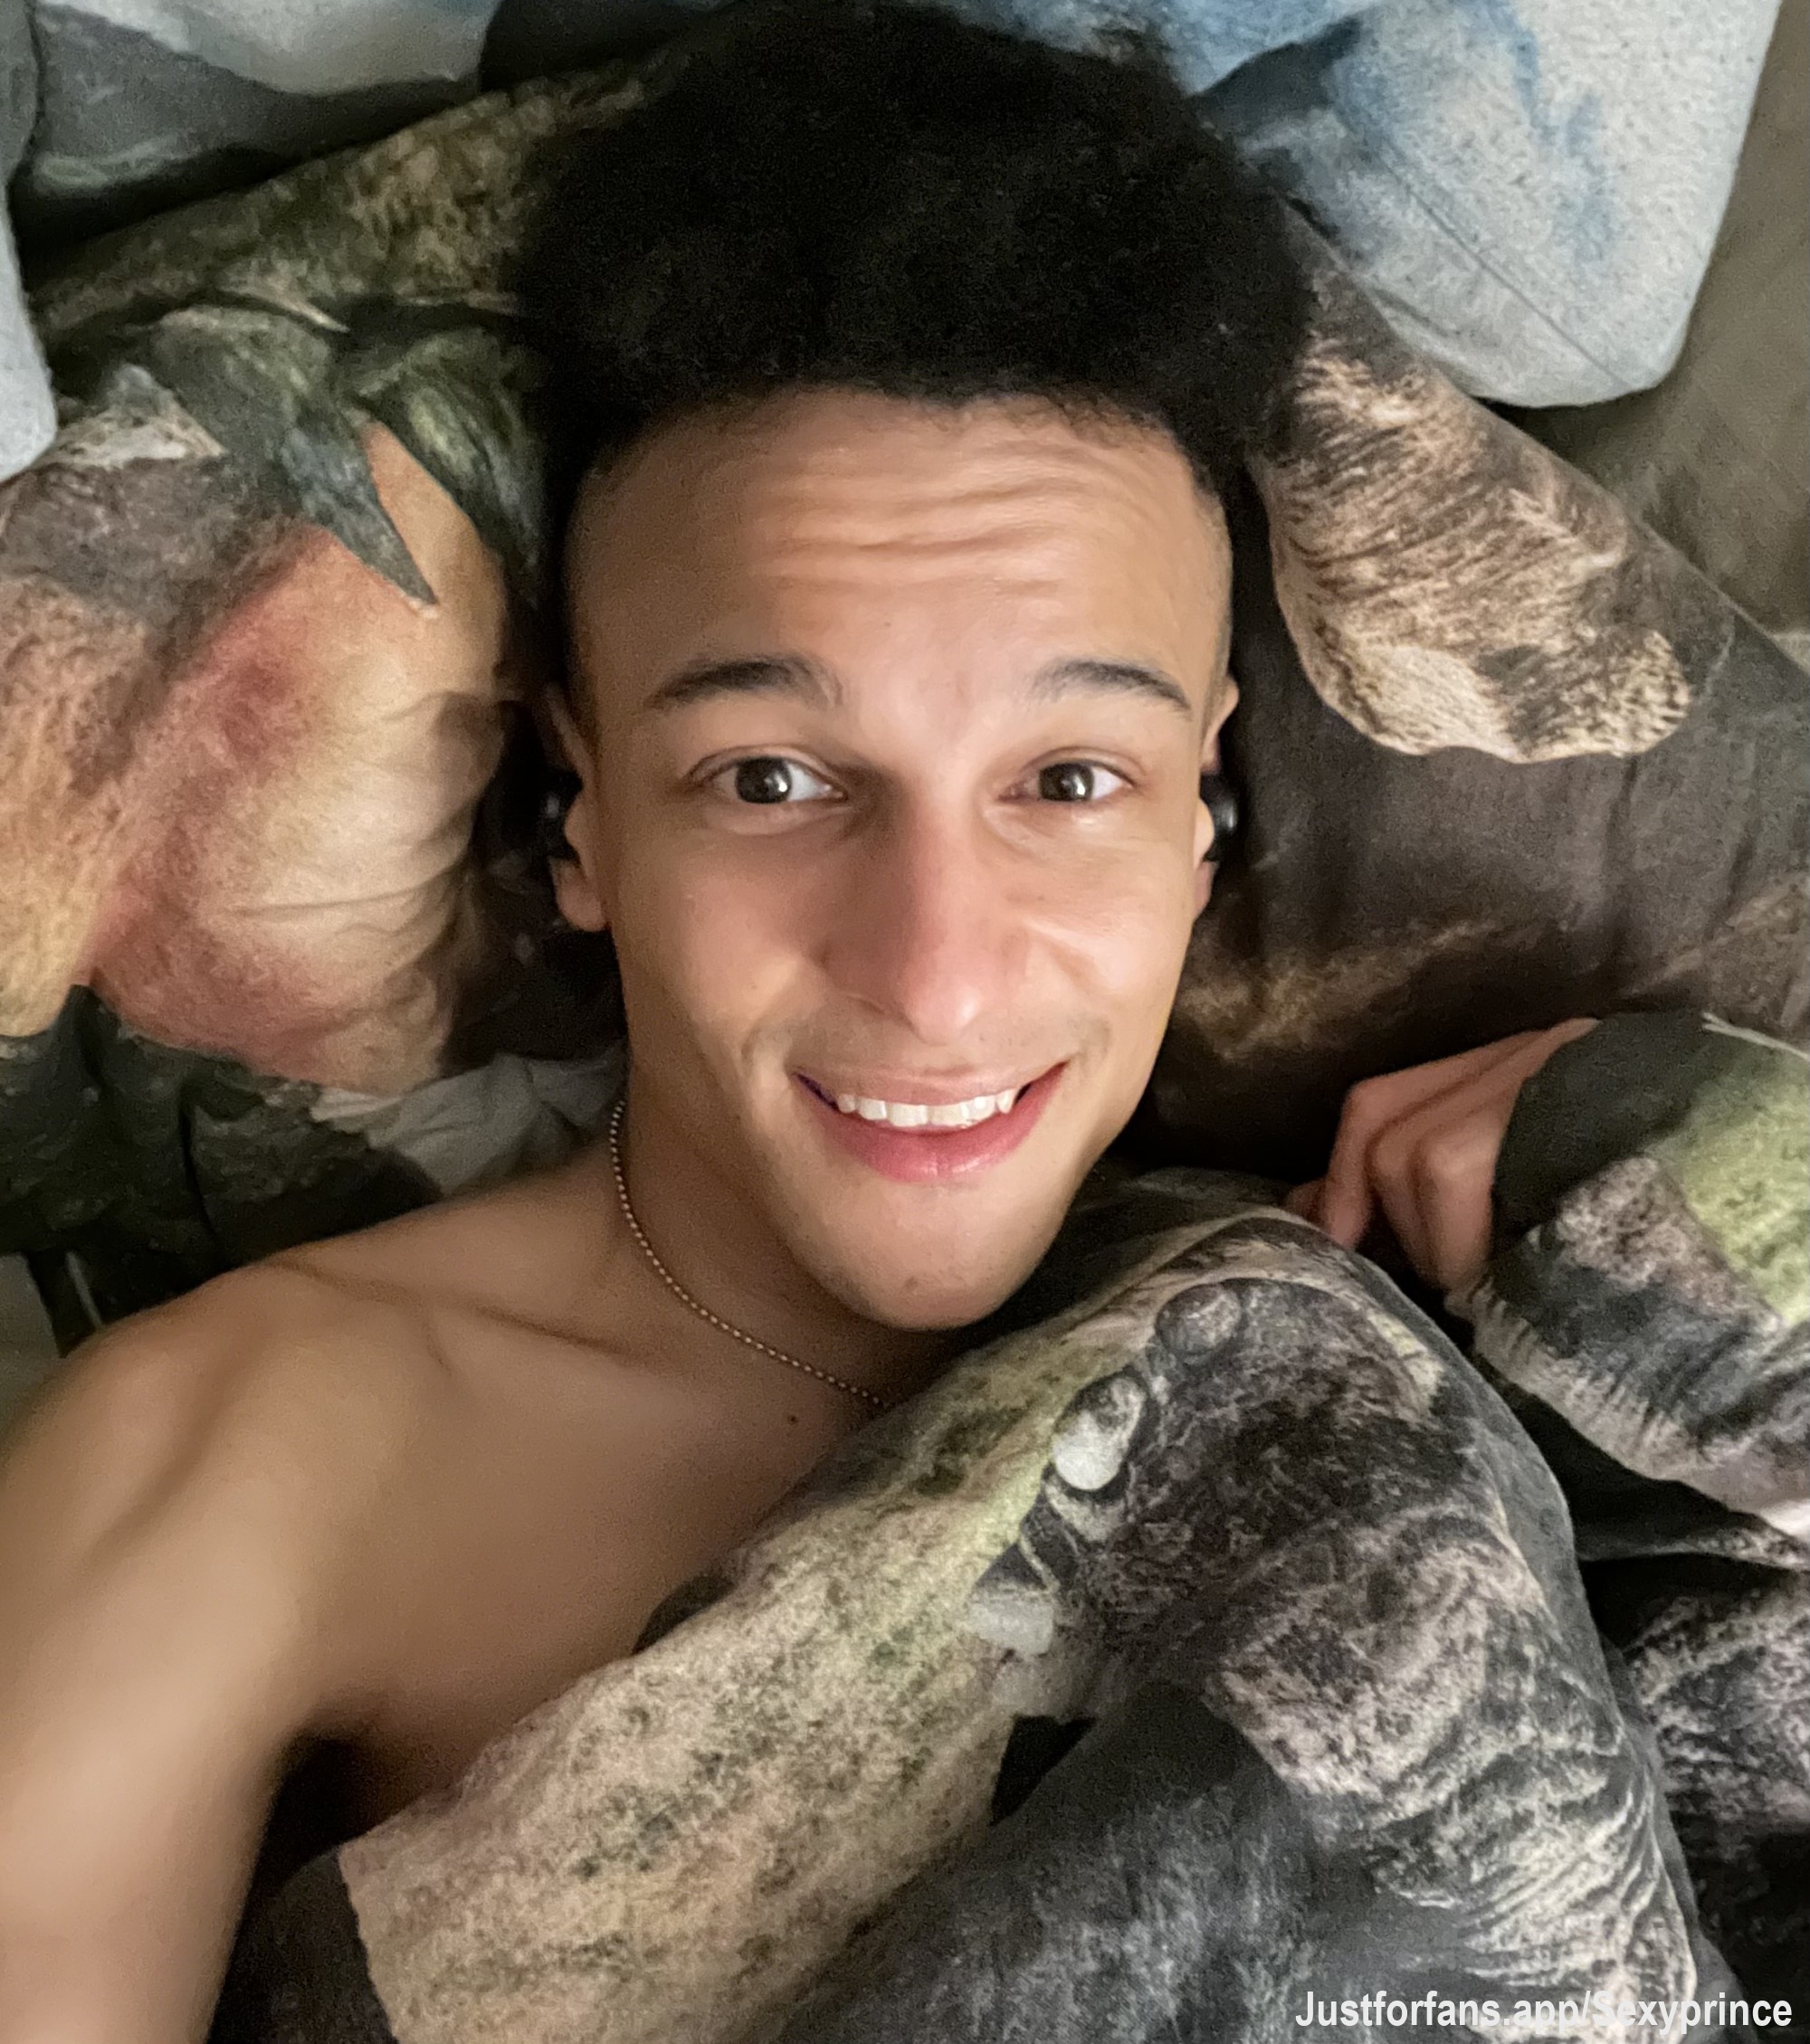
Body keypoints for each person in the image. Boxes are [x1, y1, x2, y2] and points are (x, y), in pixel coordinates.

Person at [0, 6, 1591, 2039]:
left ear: (1205, 803)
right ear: (581, 816)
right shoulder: (255, 1462)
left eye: (1069, 779)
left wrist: (1697, 1186)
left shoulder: (1444, 1282)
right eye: (769, 778)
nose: (934, 972)